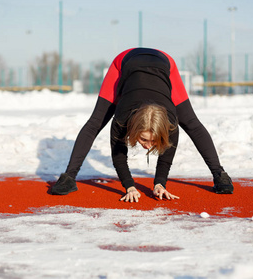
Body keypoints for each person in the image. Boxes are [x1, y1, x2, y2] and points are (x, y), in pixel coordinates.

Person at [51, 48, 233, 202]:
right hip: (124, 62)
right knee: (95, 122)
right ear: (134, 130)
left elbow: (167, 156)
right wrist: (129, 186)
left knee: (192, 123)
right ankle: (68, 178)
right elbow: (118, 155)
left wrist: (160, 182)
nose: (147, 146)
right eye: (144, 139)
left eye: (154, 142)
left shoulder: (170, 123)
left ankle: (220, 175)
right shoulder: (122, 118)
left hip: (164, 63)